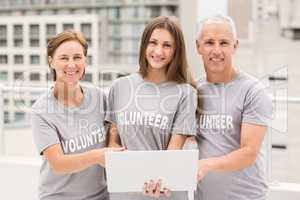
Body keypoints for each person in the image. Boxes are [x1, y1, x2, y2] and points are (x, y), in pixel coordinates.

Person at [106, 16, 198, 200]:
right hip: (126, 192)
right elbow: (113, 143)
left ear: (176, 51)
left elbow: (174, 150)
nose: (158, 51)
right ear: (143, 46)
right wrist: (131, 179)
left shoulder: (186, 93)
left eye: (167, 45)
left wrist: (158, 180)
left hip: (165, 192)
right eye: (153, 43)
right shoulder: (120, 87)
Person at [31, 30, 123, 200]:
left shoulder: (99, 97)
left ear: (85, 61)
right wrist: (96, 156)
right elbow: (58, 163)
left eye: (77, 57)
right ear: (51, 61)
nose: (71, 64)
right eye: (64, 58)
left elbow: (113, 134)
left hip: (101, 196)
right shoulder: (41, 111)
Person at [195, 14, 272, 200]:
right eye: (209, 42)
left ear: (235, 46)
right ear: (198, 46)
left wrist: (205, 165)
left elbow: (249, 152)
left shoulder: (253, 91)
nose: (216, 50)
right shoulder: (193, 90)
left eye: (223, 43)